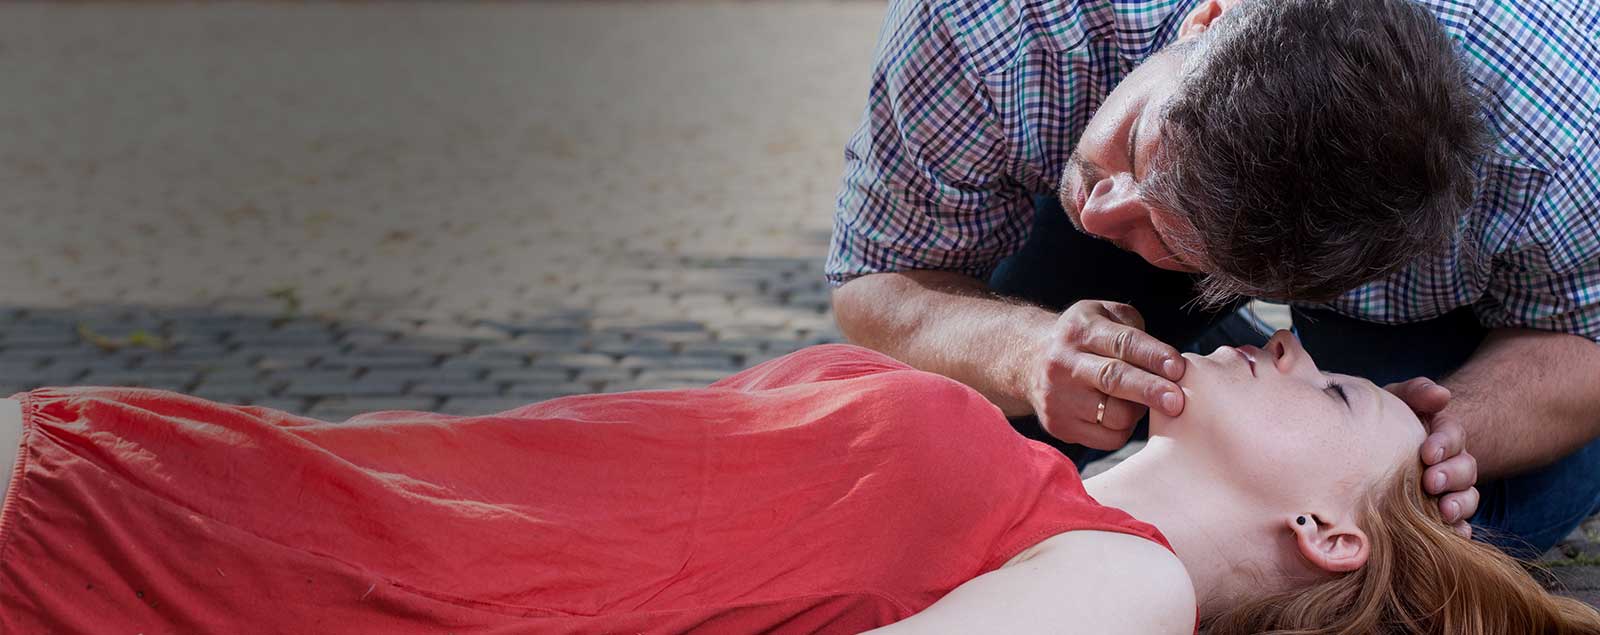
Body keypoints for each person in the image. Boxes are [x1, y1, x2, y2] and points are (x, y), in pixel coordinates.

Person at [2, 335, 1597, 633]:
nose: (1289, 342)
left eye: (1331, 390)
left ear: (1325, 529)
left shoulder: (1129, 580)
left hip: (168, 561)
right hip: (171, 495)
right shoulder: (1048, 494)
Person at [827, 0, 1600, 557]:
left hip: (1443, 279)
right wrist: (1023, 352)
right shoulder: (989, 26)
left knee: (1431, 523)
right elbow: (875, 275)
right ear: (1208, 18)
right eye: (1136, 143)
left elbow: (1587, 333)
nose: (1099, 211)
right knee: (937, 478)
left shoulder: (1561, 147)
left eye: (1174, 237)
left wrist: (1450, 430)